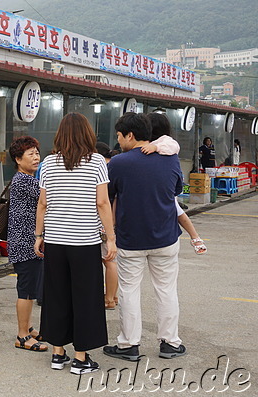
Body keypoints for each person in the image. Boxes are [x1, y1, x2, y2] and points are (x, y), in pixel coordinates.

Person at [34, 113, 117, 375]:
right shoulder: (96, 163)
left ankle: (58, 354)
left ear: (60, 134)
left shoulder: (48, 163)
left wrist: (39, 235)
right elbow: (102, 203)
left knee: (56, 295)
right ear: (87, 135)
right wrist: (111, 237)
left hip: (56, 240)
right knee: (86, 297)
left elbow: (43, 203)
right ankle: (81, 359)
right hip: (84, 241)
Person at [104, 112, 186, 363]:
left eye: (119, 136)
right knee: (166, 290)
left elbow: (107, 198)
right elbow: (177, 190)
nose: (118, 142)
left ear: (130, 135)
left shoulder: (118, 163)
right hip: (166, 237)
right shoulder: (170, 159)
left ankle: (129, 345)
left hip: (131, 239)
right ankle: (170, 343)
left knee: (129, 291)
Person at [140, 112, 207, 255]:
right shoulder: (147, 143)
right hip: (164, 186)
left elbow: (174, 146)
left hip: (166, 189)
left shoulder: (165, 141)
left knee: (179, 212)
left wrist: (156, 148)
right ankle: (195, 237)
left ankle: (195, 237)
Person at [7, 136, 46, 352]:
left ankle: (29, 327)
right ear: (18, 159)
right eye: (30, 154)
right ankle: (22, 336)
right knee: (26, 291)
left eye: (37, 153)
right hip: (25, 243)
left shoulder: (27, 179)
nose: (36, 157)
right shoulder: (25, 181)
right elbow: (47, 197)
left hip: (28, 241)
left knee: (30, 289)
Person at [95, 142, 119, 310]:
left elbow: (103, 200)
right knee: (111, 260)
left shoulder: (102, 168)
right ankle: (113, 296)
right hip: (111, 220)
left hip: (103, 220)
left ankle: (109, 299)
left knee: (108, 261)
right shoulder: (114, 166)